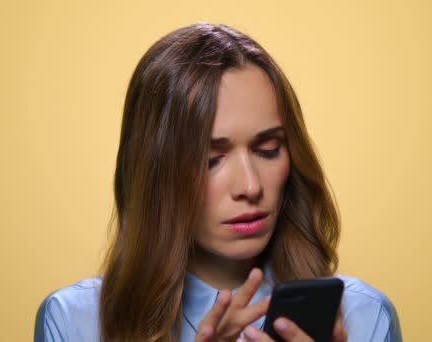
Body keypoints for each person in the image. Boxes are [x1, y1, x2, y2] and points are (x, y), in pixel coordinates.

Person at [34, 22, 402, 342]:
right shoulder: (75, 320)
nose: (250, 186)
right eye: (211, 160)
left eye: (269, 149)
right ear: (155, 174)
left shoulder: (363, 315)